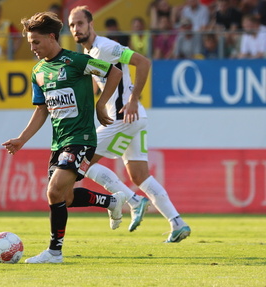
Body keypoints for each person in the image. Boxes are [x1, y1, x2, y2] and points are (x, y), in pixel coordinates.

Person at [2, 11, 124, 264]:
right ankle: (111, 201)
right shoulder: (38, 72)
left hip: (81, 138)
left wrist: (101, 105)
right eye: (29, 43)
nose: (32, 47)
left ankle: (54, 252)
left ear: (51, 37)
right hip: (59, 142)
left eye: (36, 42)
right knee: (64, 197)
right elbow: (41, 110)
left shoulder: (76, 61)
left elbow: (114, 73)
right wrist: (22, 139)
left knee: (54, 191)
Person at [68, 6, 191, 242]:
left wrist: (134, 99)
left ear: (91, 24)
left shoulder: (106, 47)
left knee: (81, 161)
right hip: (134, 118)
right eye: (72, 25)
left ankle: (133, 201)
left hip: (125, 115)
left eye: (80, 23)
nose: (76, 29)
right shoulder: (91, 53)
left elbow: (143, 62)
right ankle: (177, 222)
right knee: (140, 175)